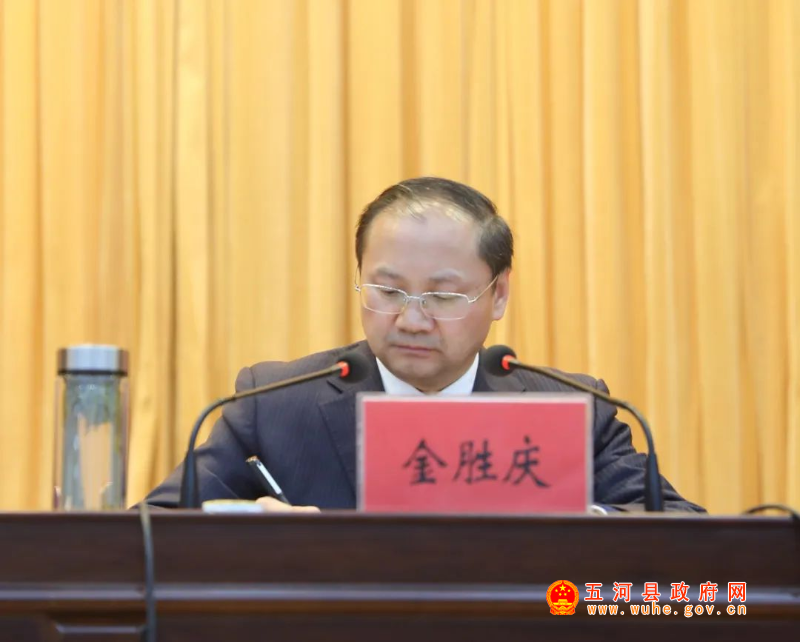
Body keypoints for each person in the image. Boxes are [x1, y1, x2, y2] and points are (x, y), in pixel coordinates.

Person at [146, 177, 704, 513]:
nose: (411, 320)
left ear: (498, 294)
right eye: (388, 290)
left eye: (442, 296)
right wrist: (243, 531)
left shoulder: (572, 410)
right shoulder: (273, 405)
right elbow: (150, 531)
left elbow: (682, 531)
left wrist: (577, 525)